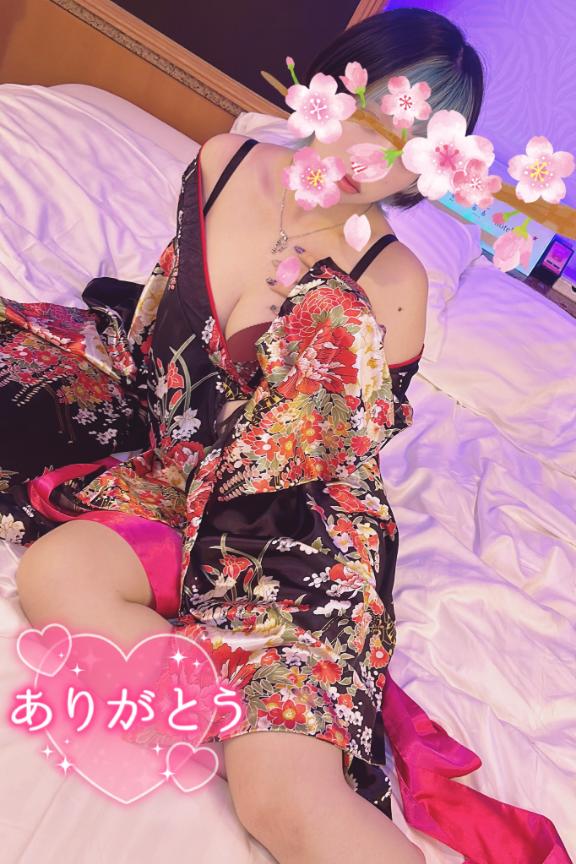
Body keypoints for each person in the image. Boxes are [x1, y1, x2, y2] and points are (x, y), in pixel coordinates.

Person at [4, 9, 570, 864]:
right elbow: (162, 320)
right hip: (176, 468)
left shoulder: (394, 280)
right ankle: (216, 692)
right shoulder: (224, 162)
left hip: (289, 518)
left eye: (408, 143)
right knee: (58, 570)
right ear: (326, 88)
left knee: (283, 799)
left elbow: (330, 456)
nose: (368, 155)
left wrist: (300, 342)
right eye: (368, 111)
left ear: (433, 166)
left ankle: (273, 719)